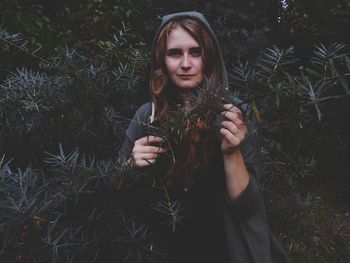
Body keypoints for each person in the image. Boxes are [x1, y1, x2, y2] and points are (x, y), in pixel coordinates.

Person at [118, 11, 289, 263]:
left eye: (195, 52)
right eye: (175, 53)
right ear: (162, 60)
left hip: (222, 251)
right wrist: (131, 165)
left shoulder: (232, 115)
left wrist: (232, 152)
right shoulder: (147, 116)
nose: (186, 63)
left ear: (208, 57)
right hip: (162, 251)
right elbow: (116, 185)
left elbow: (246, 207)